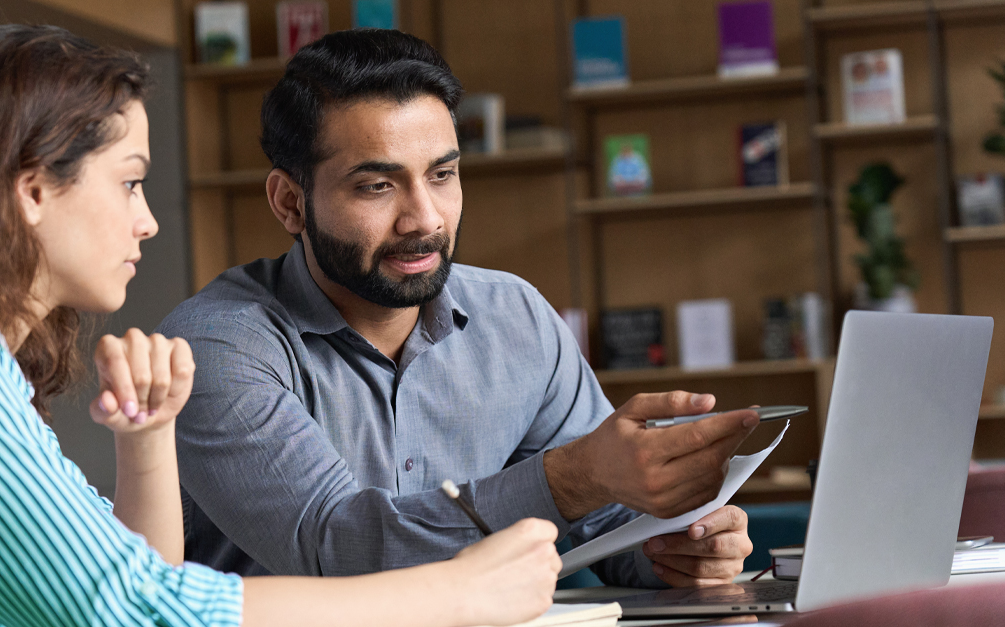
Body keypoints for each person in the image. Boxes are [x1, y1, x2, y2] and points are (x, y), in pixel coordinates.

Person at [0, 24, 564, 627]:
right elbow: (132, 610)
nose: (146, 222)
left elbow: (139, 577)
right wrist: (453, 596)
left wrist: (144, 443)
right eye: (130, 182)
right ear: (34, 187)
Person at [159, 28, 757, 589]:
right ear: (290, 202)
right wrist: (575, 476)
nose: (426, 219)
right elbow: (337, 549)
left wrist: (681, 546)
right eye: (377, 186)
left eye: (442, 174)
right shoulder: (216, 345)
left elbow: (608, 530)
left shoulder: (515, 317)